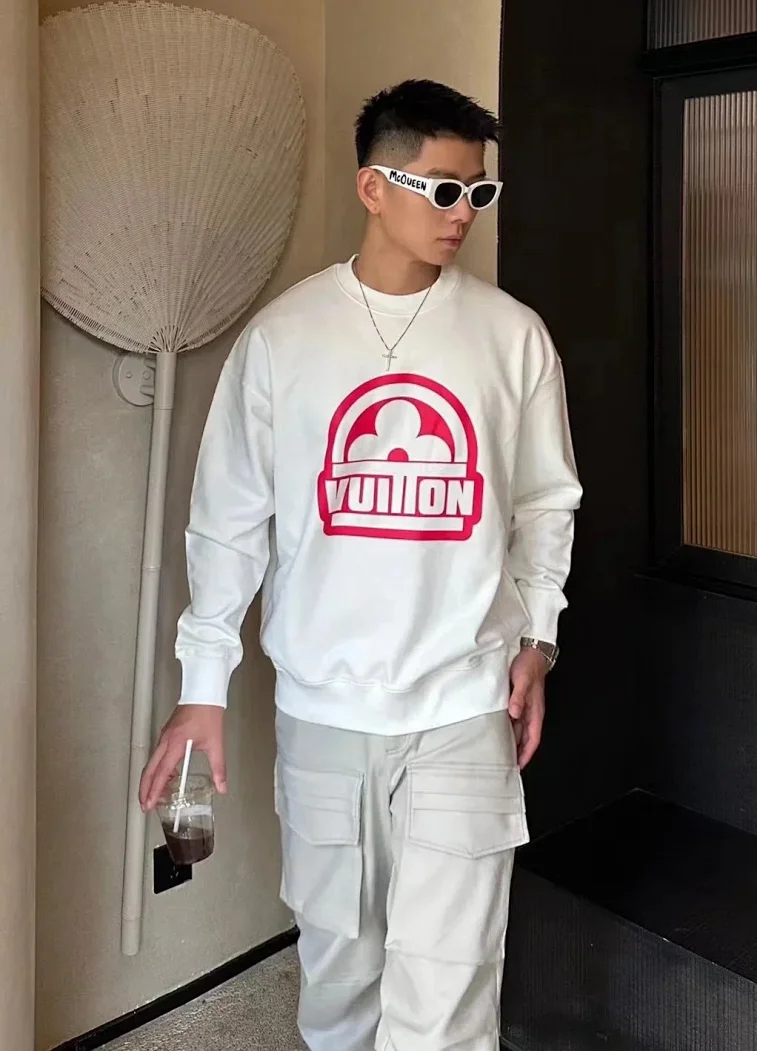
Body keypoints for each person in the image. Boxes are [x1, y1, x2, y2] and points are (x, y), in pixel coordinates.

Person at [140, 79, 582, 1051]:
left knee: (449, 990)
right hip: (323, 710)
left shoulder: (511, 338)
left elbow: (544, 502)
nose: (462, 212)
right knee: (340, 972)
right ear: (373, 187)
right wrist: (202, 686)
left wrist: (539, 636)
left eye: (478, 191)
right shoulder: (284, 337)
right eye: (442, 188)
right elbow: (228, 522)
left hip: (463, 705)